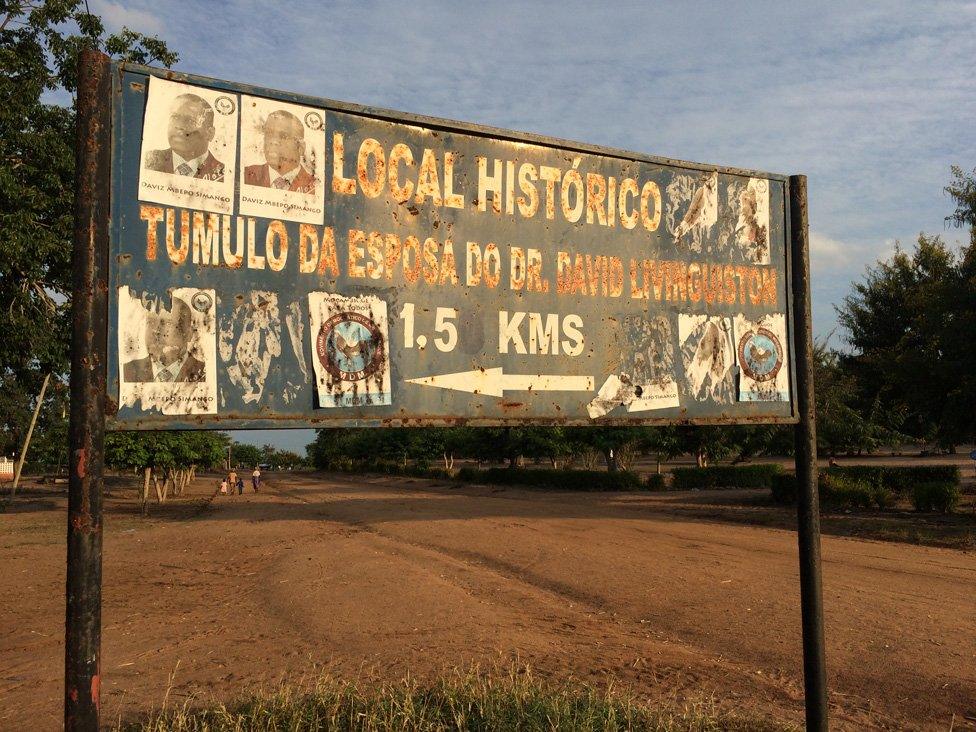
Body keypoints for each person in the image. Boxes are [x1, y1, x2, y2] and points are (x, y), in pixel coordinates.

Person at [145, 93, 225, 181]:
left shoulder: (223, 175)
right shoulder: (150, 161)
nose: (179, 126)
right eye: (175, 118)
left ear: (210, 133)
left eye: (191, 121)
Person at [123, 298, 205, 383]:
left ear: (188, 334)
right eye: (150, 322)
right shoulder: (128, 372)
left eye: (167, 323)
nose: (156, 331)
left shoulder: (204, 374)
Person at [243, 110, 317, 193]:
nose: (273, 141)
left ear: (301, 148)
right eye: (269, 134)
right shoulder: (246, 175)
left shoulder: (315, 187)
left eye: (284, 136)